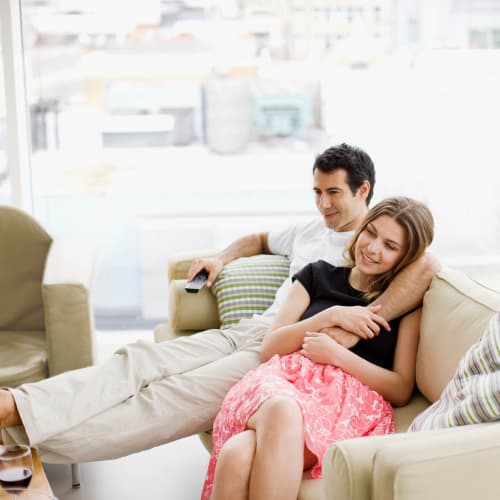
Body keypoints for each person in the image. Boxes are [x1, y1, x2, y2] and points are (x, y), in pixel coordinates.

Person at [0, 144, 439, 464]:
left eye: (334, 194)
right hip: (252, 329)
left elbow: (427, 266)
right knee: (138, 360)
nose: (323, 203)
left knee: (167, 400)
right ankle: (15, 405)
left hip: (280, 356)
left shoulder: (388, 248)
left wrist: (343, 328)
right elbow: (258, 240)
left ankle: (18, 433)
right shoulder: (312, 234)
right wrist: (221, 258)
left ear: (363, 191)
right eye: (317, 192)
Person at [202, 196, 434, 500]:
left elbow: (401, 388)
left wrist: (337, 355)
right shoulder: (317, 276)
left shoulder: (404, 304)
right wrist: (331, 315)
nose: (373, 248)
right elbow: (270, 347)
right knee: (282, 409)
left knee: (237, 454)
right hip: (283, 382)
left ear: (406, 258)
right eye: (371, 232)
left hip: (344, 404)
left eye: (391, 246)